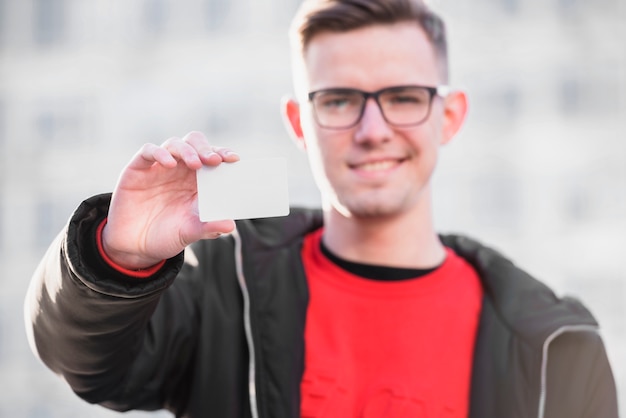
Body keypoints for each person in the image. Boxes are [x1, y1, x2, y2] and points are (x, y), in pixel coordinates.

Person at [25, 0, 618, 417]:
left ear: (451, 116)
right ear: (298, 124)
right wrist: (118, 257)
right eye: (338, 101)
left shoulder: (555, 346)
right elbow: (86, 364)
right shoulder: (227, 289)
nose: (372, 129)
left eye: (404, 97)